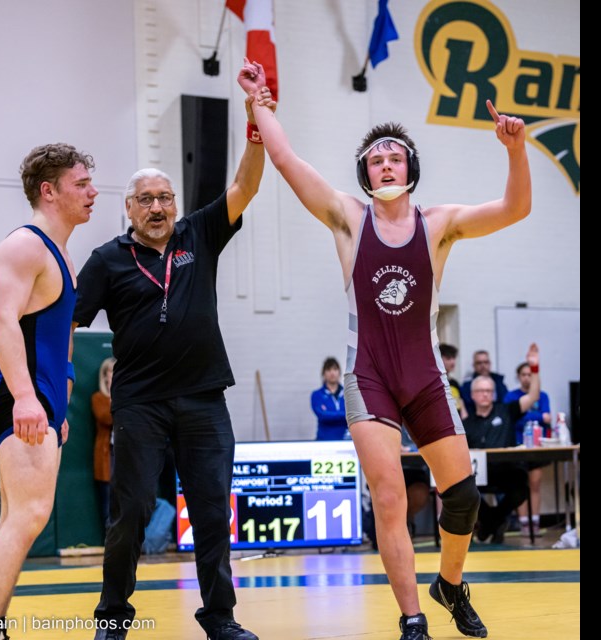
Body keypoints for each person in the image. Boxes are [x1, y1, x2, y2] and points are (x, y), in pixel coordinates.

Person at [247, 70, 531, 639]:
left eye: (394, 157)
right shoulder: (348, 217)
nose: (384, 165)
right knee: (390, 497)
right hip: (368, 374)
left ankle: (449, 586)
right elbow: (285, 161)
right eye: (375, 159)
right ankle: (412, 618)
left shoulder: (439, 224)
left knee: (463, 498)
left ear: (409, 168)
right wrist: (259, 106)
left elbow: (514, 209)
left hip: (425, 376)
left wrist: (517, 150)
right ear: (365, 172)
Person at [72, 63, 270, 640]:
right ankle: (112, 617)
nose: (157, 207)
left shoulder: (198, 235)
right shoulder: (107, 260)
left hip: (205, 400)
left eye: (164, 197)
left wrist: (256, 124)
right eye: (145, 200)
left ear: (174, 203)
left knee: (211, 514)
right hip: (140, 404)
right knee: (128, 515)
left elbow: (246, 187)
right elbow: (71, 320)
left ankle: (220, 617)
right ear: (128, 208)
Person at [0, 143, 98, 640]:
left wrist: (58, 395)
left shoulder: (59, 253)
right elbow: (1, 319)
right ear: (49, 191)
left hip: (42, 397)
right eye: (81, 184)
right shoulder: (25, 245)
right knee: (25, 515)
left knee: (26, 517)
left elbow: (60, 335)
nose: (93, 192)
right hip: (19, 396)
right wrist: (25, 397)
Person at [463, 355, 540, 542]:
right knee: (461, 490)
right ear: (473, 395)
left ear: (494, 393)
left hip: (508, 470)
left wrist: (534, 367)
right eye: (481, 391)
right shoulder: (466, 423)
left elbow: (533, 396)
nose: (485, 394)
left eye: (489, 391)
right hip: (479, 475)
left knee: (522, 485)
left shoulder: (506, 410)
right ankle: (495, 522)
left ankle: (490, 523)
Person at [504, 361, 552, 533]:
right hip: (517, 445)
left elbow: (548, 419)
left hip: (537, 446)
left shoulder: (543, 396)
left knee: (535, 483)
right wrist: (538, 416)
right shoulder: (511, 396)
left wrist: (529, 416)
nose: (526, 378)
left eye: (529, 374)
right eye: (523, 374)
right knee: (520, 483)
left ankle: (535, 522)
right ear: (518, 377)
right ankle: (524, 522)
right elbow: (511, 419)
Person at [92, 357, 116, 543]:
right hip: (108, 455)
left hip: (126, 454)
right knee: (107, 504)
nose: (114, 375)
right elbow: (107, 418)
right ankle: (110, 542)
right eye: (111, 372)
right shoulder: (99, 398)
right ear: (105, 376)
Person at [460, 350, 508, 416]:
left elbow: (505, 402)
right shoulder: (467, 387)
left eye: (486, 362)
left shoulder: (499, 383)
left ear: (490, 364)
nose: (483, 365)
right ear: (474, 365)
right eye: (479, 363)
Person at [311, 356, 347, 440]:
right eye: (328, 370)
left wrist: (330, 413)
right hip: (324, 443)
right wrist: (345, 414)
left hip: (345, 442)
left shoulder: (348, 394)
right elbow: (323, 416)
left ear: (339, 372)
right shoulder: (316, 395)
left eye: (335, 369)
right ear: (324, 373)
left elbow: (355, 415)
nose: (332, 373)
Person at [438, 343, 467, 420]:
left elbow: (460, 404)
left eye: (454, 358)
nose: (453, 362)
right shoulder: (434, 383)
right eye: (448, 358)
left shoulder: (454, 382)